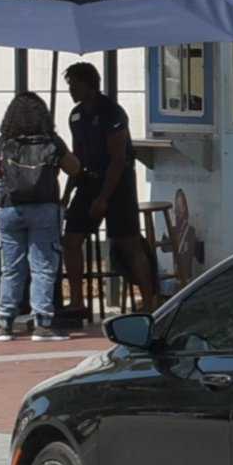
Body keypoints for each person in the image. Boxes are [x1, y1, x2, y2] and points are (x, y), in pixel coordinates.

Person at [60, 60, 159, 312]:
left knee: (129, 242)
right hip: (88, 180)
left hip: (118, 184)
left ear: (89, 85)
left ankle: (149, 301)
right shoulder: (76, 116)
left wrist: (103, 198)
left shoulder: (112, 113)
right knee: (71, 240)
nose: (71, 91)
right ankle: (77, 301)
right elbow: (77, 156)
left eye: (74, 85)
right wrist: (68, 192)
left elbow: (117, 159)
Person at [0, 83, 67, 337]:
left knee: (11, 267)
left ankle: (5, 322)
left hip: (9, 207)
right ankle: (42, 322)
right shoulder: (51, 141)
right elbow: (74, 167)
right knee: (43, 265)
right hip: (45, 207)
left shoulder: (5, 141)